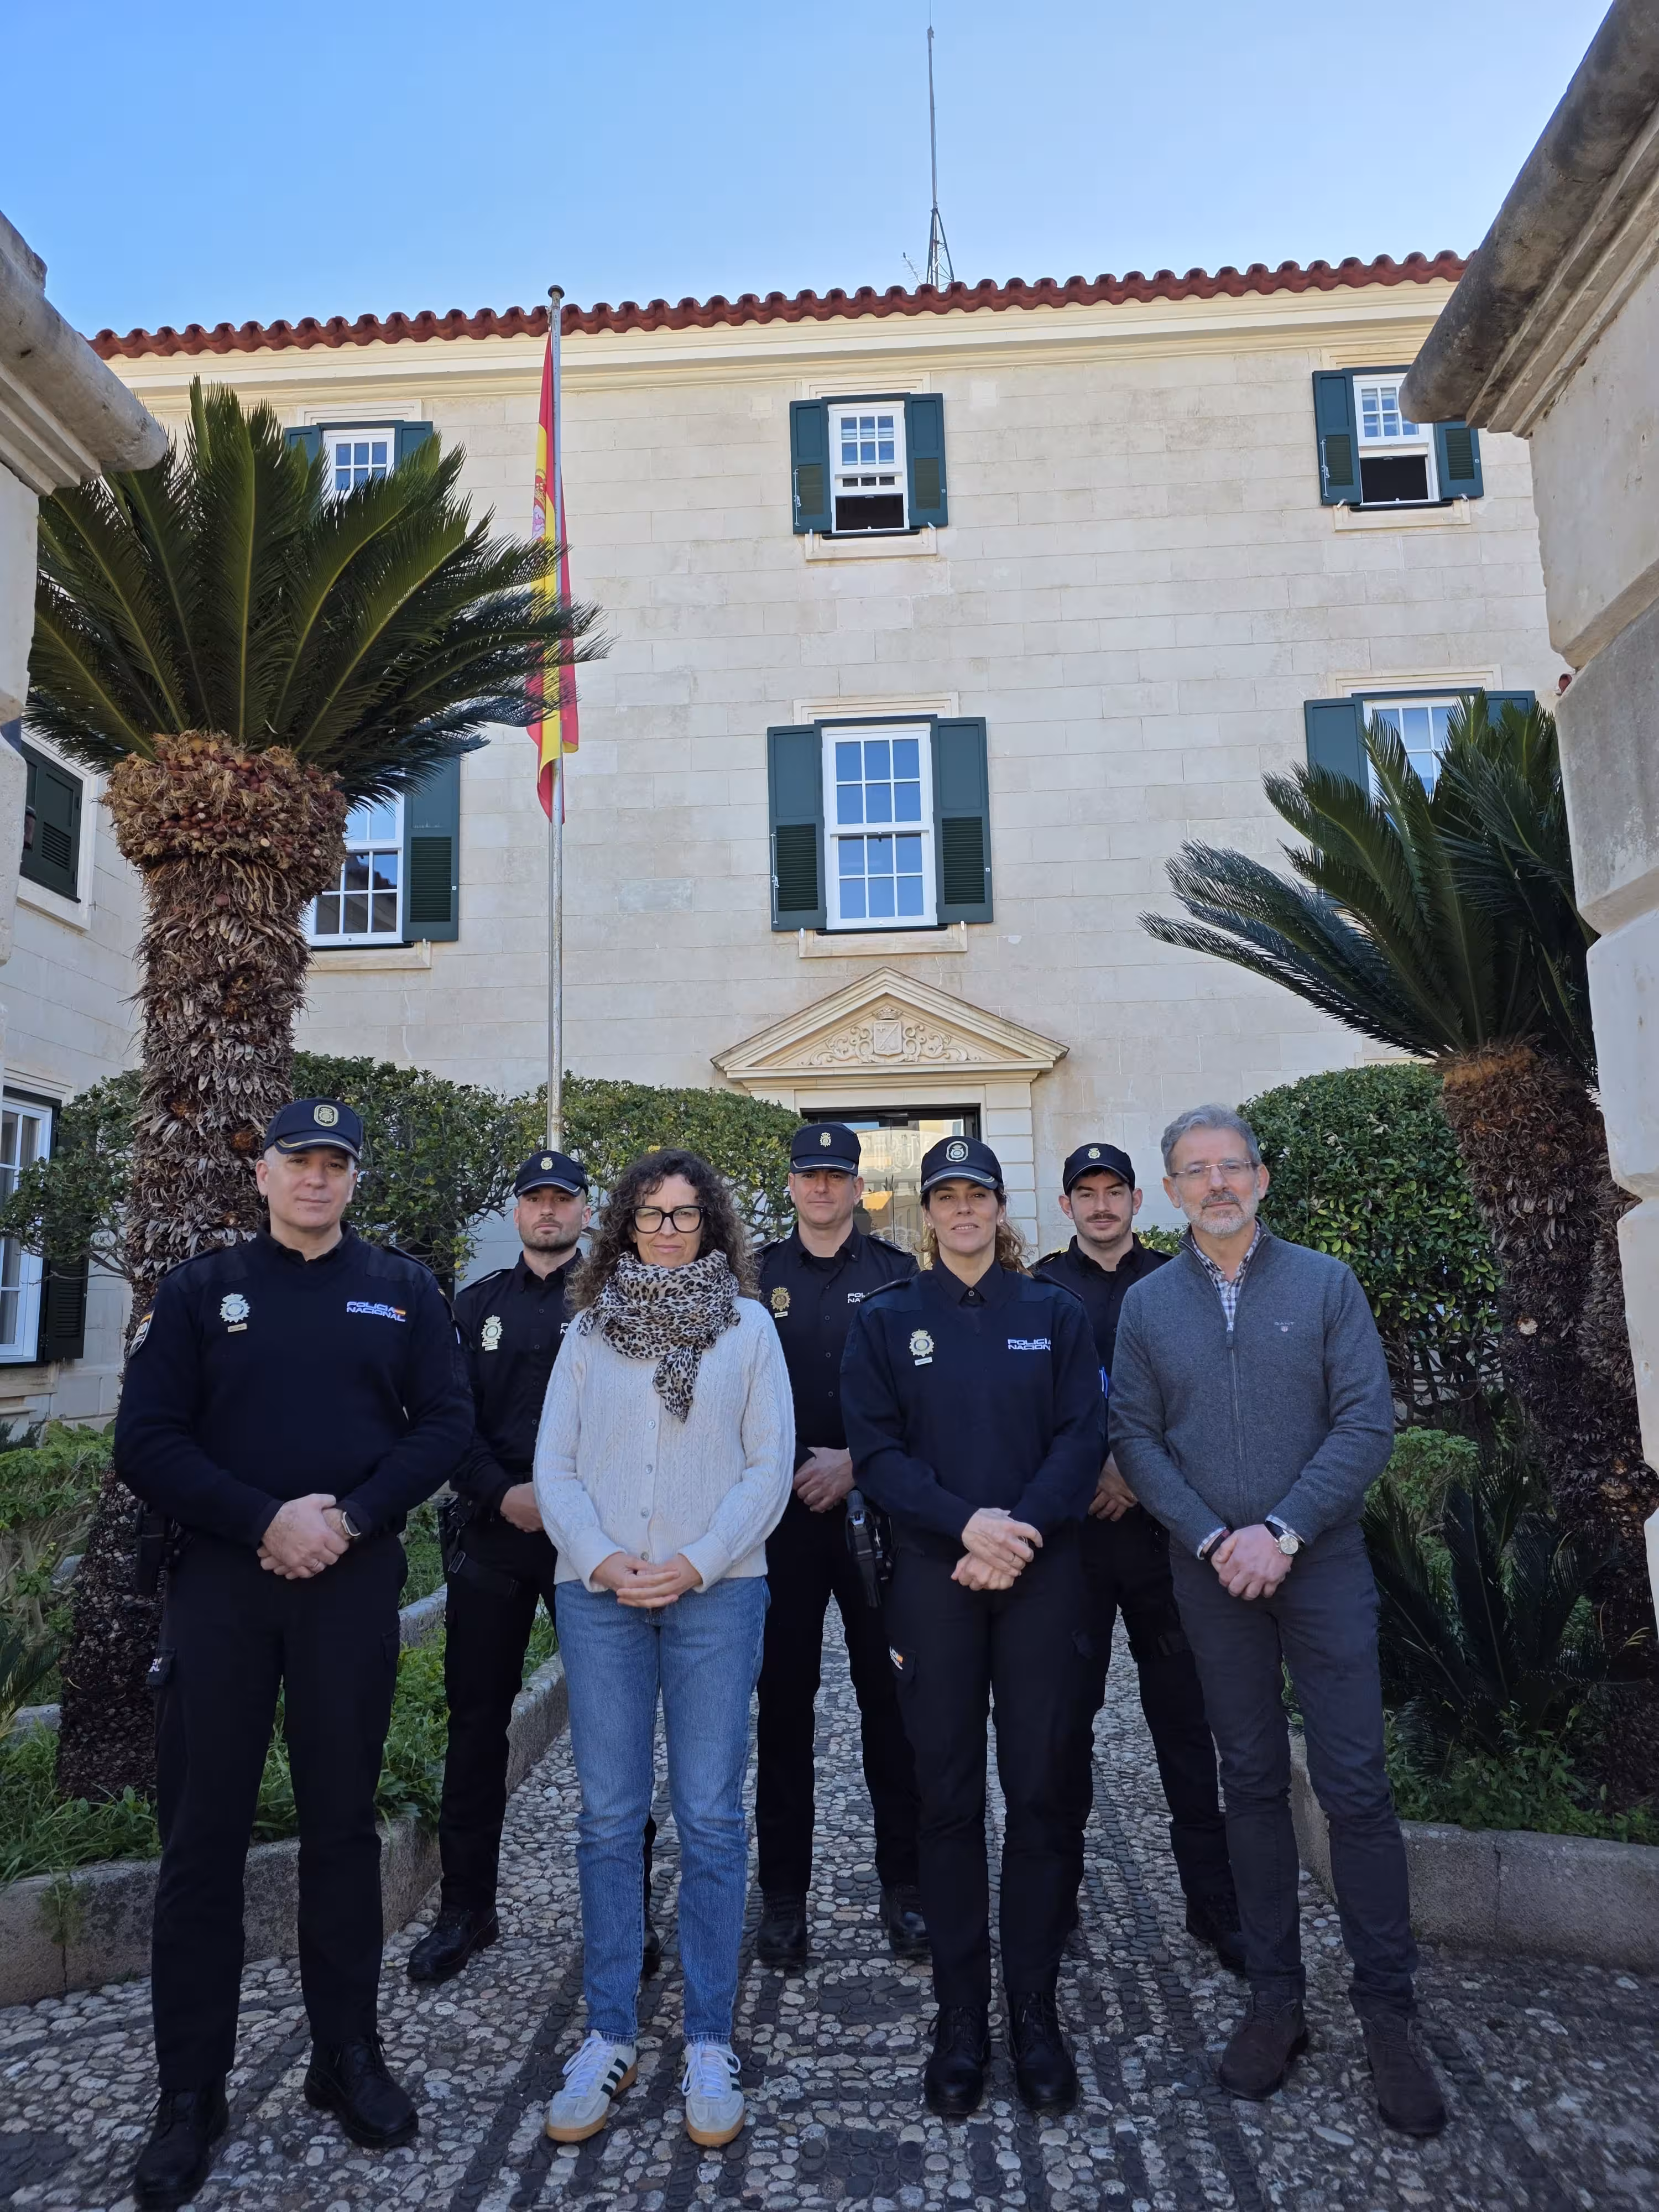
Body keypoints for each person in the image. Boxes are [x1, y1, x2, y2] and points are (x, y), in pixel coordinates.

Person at [114, 1099, 475, 2211]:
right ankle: (192, 2095)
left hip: (350, 1583)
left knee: (340, 1826)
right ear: (262, 1171)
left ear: (354, 1179)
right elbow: (147, 1438)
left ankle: (344, 2057)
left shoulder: (403, 1288)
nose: (316, 1179)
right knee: (202, 1839)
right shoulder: (199, 1290)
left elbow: (445, 1423)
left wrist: (352, 1516)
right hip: (222, 1586)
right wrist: (265, 1516)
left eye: (335, 1164)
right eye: (297, 1161)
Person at [1109, 1104, 1447, 2138]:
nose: (1216, 1184)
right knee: (1248, 1780)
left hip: (1321, 1562)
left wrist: (1285, 1529)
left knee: (1354, 1784)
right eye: (1194, 1171)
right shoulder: (1149, 1307)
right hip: (1210, 1572)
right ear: (1169, 1192)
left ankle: (1388, 2014)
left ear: (1262, 1179)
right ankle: (1276, 2000)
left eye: (1232, 1167)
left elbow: (1366, 1420)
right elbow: (1134, 1434)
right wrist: (1218, 1539)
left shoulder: (1325, 1284)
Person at [533, 1149, 794, 2151]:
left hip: (717, 1595)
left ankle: (711, 2039)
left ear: (712, 1225)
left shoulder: (749, 1327)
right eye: (652, 1215)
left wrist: (693, 1559)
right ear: (626, 1227)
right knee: (607, 1816)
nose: (669, 1231)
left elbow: (768, 1467)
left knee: (713, 1815)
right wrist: (601, 1559)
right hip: (598, 1597)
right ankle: (607, 2031)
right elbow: (554, 1464)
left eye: (687, 1216)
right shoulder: (589, 1333)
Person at [842, 1137, 1104, 2122]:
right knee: (945, 1797)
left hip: (1040, 1575)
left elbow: (1084, 1438)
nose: (961, 1210)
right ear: (926, 1211)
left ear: (1000, 1208)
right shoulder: (887, 1321)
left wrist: (1017, 1532)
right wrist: (968, 1526)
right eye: (944, 1195)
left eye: (976, 1195)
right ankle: (961, 2017)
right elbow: (878, 1454)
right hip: (934, 1576)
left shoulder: (1054, 1313)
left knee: (1040, 1791)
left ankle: (1033, 2011)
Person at [407, 1148, 661, 1985]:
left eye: (564, 1200)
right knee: (476, 1727)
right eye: (535, 1200)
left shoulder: (622, 1301)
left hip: (595, 1550)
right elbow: (450, 1420)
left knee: (613, 1737)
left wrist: (576, 1512)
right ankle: (465, 1908)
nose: (549, 1213)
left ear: (588, 1212)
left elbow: (641, 1424)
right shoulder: (475, 1304)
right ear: (517, 1212)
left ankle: (626, 1916)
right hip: (497, 1538)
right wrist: (503, 1493)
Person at [1033, 1144, 1243, 1973]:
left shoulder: (1182, 1278)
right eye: (1084, 1193)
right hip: (1078, 1543)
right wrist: (1093, 1473)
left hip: (1166, 1539)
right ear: (1066, 1205)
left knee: (1187, 1727)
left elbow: (1202, 1398)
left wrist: (1139, 1478)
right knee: (1062, 1727)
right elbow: (1039, 1405)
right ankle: (1058, 1897)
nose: (1100, 1206)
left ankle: (1213, 1901)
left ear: (1136, 1200)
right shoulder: (1041, 1288)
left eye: (1113, 1191)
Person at [755, 1121, 924, 1970]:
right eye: (808, 1174)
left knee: (890, 1711)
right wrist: (792, 1468)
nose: (822, 1188)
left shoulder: (899, 1277)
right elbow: (726, 1397)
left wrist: (856, 1464)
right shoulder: (750, 1277)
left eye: (837, 1175)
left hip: (875, 1521)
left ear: (861, 1189)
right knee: (781, 1716)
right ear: (789, 1185)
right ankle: (783, 1900)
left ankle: (908, 1889)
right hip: (777, 1522)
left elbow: (921, 1398)